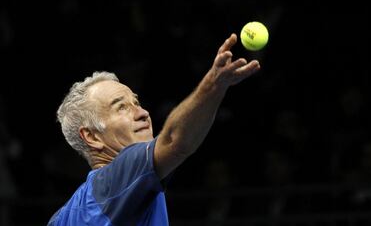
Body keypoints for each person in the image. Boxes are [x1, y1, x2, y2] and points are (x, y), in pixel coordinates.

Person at [47, 33, 261, 225]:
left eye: (137, 103)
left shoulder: (60, 219)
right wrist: (214, 85)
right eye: (121, 107)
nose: (143, 113)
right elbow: (174, 142)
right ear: (92, 137)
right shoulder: (123, 172)